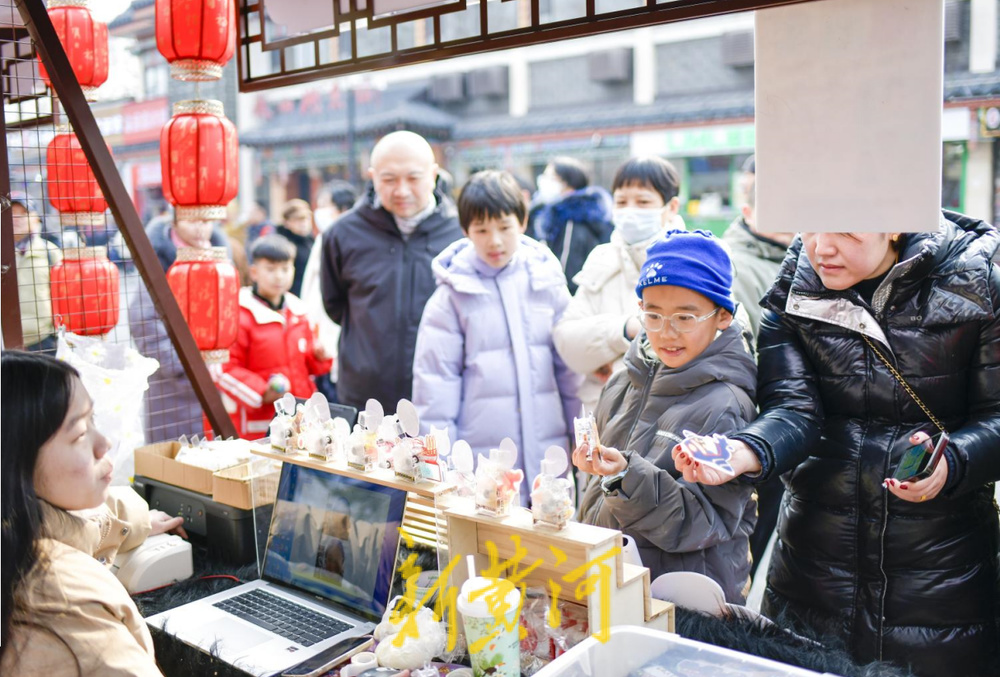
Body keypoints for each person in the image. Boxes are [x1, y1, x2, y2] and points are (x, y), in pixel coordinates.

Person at [674, 217, 1000, 676]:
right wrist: (743, 451)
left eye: (846, 232)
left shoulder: (974, 282)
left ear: (895, 225)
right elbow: (793, 408)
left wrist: (955, 461)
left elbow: (997, 415)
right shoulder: (795, 288)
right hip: (815, 561)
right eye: (809, 228)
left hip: (939, 572)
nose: (821, 248)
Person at [574, 229, 758, 604]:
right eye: (652, 315)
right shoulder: (624, 378)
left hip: (682, 599)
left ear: (722, 316)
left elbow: (707, 521)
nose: (666, 333)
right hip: (612, 583)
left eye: (685, 317)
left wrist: (625, 477)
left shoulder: (725, 403)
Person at [1, 351, 186, 676]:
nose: (105, 443)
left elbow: (76, 525)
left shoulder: (15, 535)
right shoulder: (65, 602)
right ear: (15, 464)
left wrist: (138, 521)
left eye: (94, 420)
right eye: (80, 434)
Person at [412, 170, 582, 492]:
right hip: (481, 465)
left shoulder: (548, 284)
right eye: (481, 229)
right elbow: (435, 391)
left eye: (505, 227)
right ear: (466, 231)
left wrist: (584, 443)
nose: (495, 241)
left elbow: (572, 375)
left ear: (522, 221)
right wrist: (443, 469)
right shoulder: (450, 298)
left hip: (549, 456)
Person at [320, 130, 463, 411]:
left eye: (413, 178)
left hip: (441, 393)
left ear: (433, 174)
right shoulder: (342, 233)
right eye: (388, 179)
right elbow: (335, 305)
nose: (401, 190)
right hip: (365, 397)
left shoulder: (460, 233)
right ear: (372, 177)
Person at [553, 156, 685, 413]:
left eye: (643, 202)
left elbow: (704, 345)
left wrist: (611, 363)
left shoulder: (693, 261)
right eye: (621, 202)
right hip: (604, 420)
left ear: (671, 207)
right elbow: (567, 343)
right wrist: (625, 330)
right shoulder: (601, 259)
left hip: (671, 420)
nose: (630, 210)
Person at [218, 235, 333, 439]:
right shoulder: (239, 314)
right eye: (270, 269)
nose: (279, 276)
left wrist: (319, 357)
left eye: (285, 269)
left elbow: (306, 364)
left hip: (300, 416)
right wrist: (262, 392)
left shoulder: (298, 311)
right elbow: (225, 368)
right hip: (261, 421)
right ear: (254, 272)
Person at [128, 217, 229, 442]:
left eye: (206, 220)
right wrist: (183, 366)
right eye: (191, 220)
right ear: (174, 221)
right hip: (175, 385)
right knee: (177, 461)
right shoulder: (159, 262)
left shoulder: (223, 261)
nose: (199, 227)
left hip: (222, 379)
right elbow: (144, 321)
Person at [302, 181, 359, 403]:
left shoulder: (344, 239)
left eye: (325, 205)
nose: (319, 212)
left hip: (337, 334)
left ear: (343, 209)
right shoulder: (324, 238)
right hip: (319, 331)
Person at [531, 156, 614, 294]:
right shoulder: (562, 216)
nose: (543, 181)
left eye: (550, 177)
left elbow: (565, 274)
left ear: (568, 185)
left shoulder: (570, 221)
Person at [10, 194, 62, 352]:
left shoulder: (50, 252)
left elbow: (63, 294)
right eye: (10, 214)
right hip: (6, 341)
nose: (16, 219)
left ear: (36, 218)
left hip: (44, 340)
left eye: (23, 213)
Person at [275, 199, 315, 298]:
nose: (304, 223)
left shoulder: (312, 241)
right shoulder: (281, 244)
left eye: (307, 218)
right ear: (287, 222)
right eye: (298, 220)